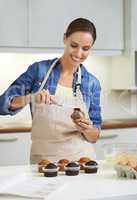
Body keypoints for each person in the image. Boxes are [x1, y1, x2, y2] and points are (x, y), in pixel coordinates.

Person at [0, 18, 102, 163]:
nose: (79, 53)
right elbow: (2, 105)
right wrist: (31, 97)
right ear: (65, 39)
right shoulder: (39, 71)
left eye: (85, 48)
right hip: (44, 163)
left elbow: (95, 135)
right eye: (74, 45)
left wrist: (86, 129)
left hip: (81, 161)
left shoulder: (92, 83)